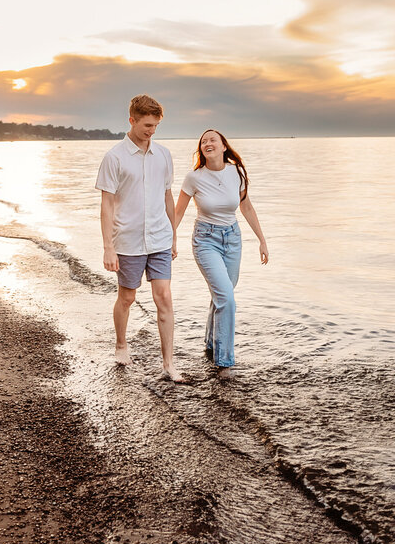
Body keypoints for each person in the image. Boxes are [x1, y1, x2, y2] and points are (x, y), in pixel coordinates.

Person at [95, 94, 183, 382]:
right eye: (147, 125)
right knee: (127, 298)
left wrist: (173, 236)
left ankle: (168, 364)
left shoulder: (164, 155)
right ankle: (121, 343)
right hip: (128, 242)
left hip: (159, 238)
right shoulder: (114, 157)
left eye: (156, 126)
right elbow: (106, 204)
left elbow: (167, 195)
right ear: (131, 120)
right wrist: (108, 247)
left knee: (164, 298)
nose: (151, 131)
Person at [174, 129, 268, 379]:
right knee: (226, 296)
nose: (207, 143)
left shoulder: (235, 172)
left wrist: (262, 239)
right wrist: (169, 239)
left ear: (224, 146)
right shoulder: (194, 177)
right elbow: (178, 211)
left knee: (222, 294)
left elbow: (246, 205)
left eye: (212, 139)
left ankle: (210, 343)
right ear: (201, 149)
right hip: (205, 240)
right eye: (203, 141)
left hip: (233, 239)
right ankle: (224, 362)